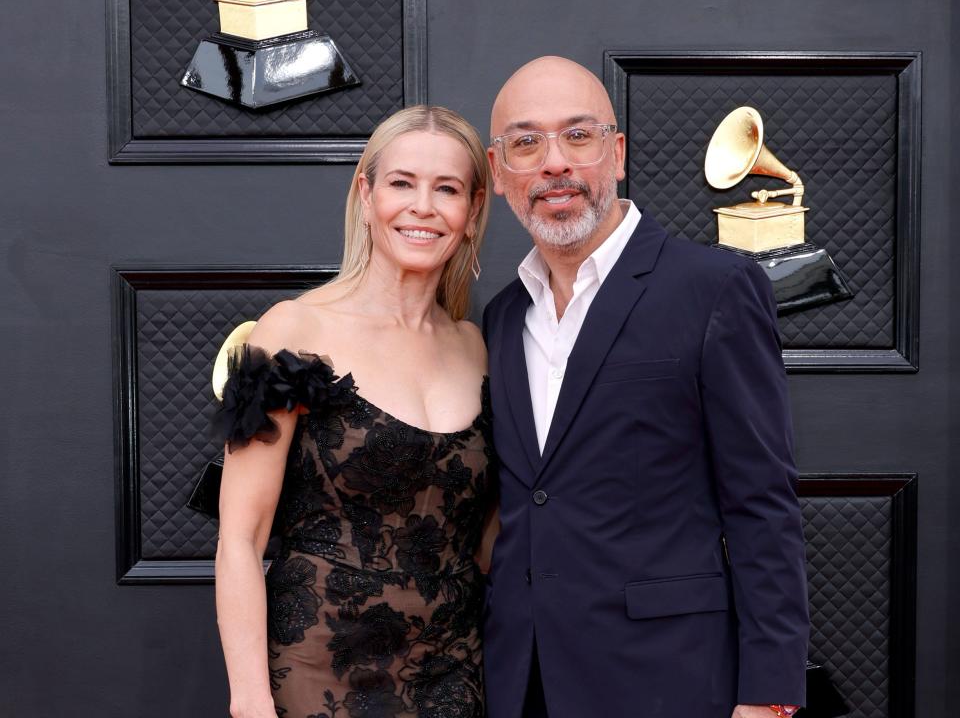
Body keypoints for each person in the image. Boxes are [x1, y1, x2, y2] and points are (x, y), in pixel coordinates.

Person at [481, 56, 810, 718]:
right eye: (526, 142)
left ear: (617, 152)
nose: (554, 163)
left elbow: (761, 502)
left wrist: (770, 693)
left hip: (670, 680)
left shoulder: (714, 288)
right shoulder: (501, 315)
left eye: (579, 136)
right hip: (523, 682)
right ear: (497, 173)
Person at [212, 105, 496, 718]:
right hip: (317, 672)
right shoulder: (292, 330)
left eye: (446, 189)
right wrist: (249, 699)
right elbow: (241, 537)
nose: (422, 206)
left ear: (472, 214)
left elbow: (487, 538)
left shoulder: (477, 348)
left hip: (455, 671)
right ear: (365, 195)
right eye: (401, 183)